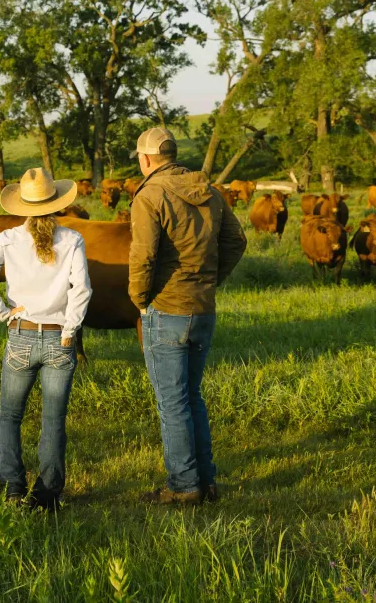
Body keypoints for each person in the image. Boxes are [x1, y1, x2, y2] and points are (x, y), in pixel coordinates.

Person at [128, 127, 247, 505]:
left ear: (146, 160)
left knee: (171, 402)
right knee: (192, 397)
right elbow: (236, 241)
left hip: (166, 308)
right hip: (203, 306)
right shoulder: (210, 191)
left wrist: (140, 298)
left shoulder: (149, 195)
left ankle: (184, 486)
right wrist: (210, 280)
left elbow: (143, 255)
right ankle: (206, 481)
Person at [0, 167, 93, 510]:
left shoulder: (8, 238)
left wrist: (3, 313)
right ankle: (48, 493)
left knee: (10, 415)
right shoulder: (71, 239)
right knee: (53, 419)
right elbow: (82, 290)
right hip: (60, 339)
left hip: (21, 335)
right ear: (55, 203)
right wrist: (70, 330)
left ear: (21, 206)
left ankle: (12, 486)